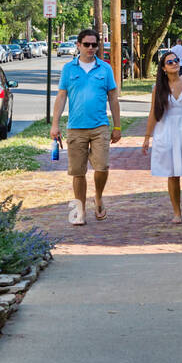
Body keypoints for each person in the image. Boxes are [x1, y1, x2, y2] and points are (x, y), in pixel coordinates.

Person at [50, 27, 121, 226]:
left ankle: (98, 196)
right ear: (78, 45)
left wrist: (118, 126)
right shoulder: (69, 69)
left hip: (100, 126)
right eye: (87, 44)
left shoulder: (105, 69)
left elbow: (113, 98)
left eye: (94, 45)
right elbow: (61, 96)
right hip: (75, 127)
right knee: (78, 172)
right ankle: (79, 210)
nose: (91, 48)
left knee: (102, 166)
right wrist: (55, 125)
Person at [142, 51, 182, 222]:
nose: (174, 63)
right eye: (169, 62)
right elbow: (152, 113)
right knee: (172, 173)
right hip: (166, 130)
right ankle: (176, 212)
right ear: (163, 68)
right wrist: (147, 136)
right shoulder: (158, 88)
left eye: (176, 60)